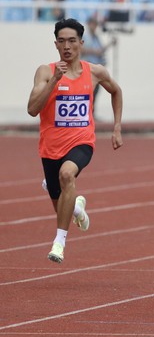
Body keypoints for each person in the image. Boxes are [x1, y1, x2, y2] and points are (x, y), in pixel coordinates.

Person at [27, 18, 124, 264]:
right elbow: (32, 109)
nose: (67, 46)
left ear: (81, 43)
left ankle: (59, 243)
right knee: (62, 204)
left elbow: (116, 91)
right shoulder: (46, 71)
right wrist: (54, 83)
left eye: (72, 41)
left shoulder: (95, 72)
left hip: (82, 142)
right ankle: (78, 208)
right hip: (50, 147)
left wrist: (116, 127)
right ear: (56, 44)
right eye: (61, 41)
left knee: (67, 175)